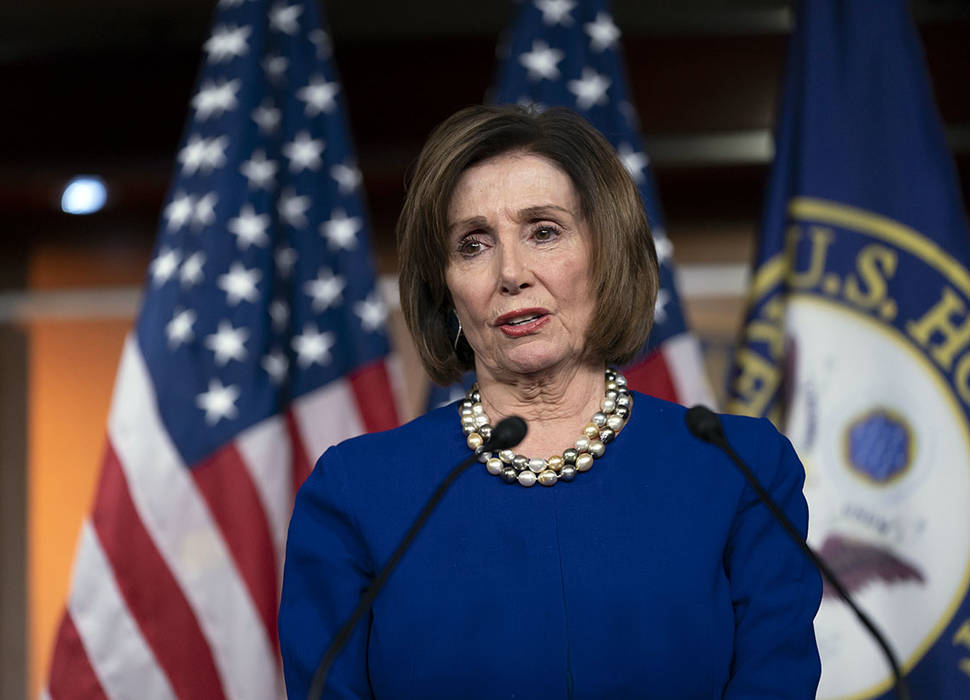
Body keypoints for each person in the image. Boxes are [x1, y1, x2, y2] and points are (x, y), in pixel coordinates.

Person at [278, 105, 822, 698]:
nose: (511, 273)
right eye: (473, 245)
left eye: (544, 231)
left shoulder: (737, 468)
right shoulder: (357, 491)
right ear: (446, 288)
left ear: (607, 252)